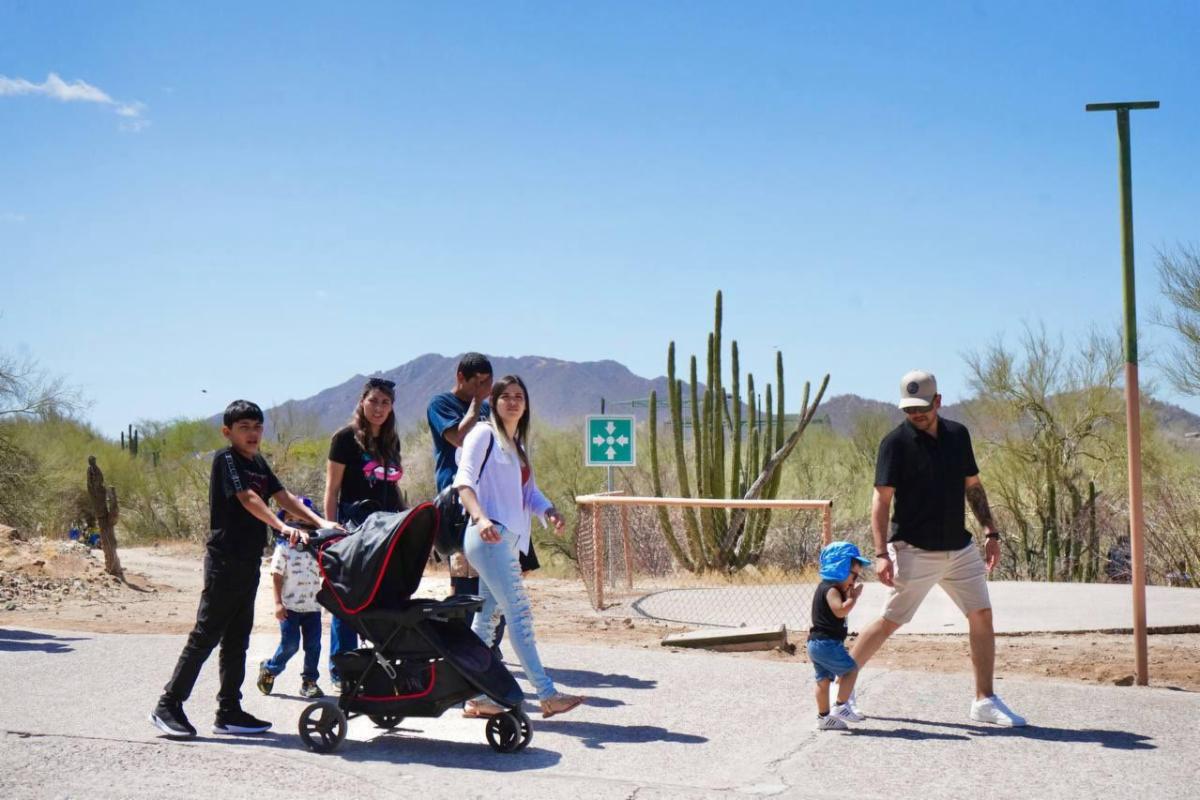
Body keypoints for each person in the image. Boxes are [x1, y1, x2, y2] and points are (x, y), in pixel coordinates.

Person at [847, 370, 1027, 727]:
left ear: (938, 401)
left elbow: (973, 487)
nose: (916, 414)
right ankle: (844, 687)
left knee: (981, 614)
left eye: (922, 407)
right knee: (890, 620)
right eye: (909, 409)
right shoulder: (895, 444)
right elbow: (881, 501)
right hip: (914, 549)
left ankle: (984, 700)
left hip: (959, 549)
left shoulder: (958, 436)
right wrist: (881, 554)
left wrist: (990, 531)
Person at [150, 400, 337, 739]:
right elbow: (248, 497)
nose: (252, 434)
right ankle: (169, 705)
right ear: (228, 432)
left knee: (237, 639)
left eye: (257, 427)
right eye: (244, 428)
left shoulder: (259, 462)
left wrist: (320, 521)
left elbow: (282, 496)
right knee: (206, 634)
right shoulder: (226, 460)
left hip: (249, 561)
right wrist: (282, 527)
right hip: (224, 561)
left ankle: (229, 711)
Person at [453, 375, 584, 719]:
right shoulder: (483, 434)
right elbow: (463, 481)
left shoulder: (517, 445)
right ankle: (546, 694)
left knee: (487, 620)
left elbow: (528, 493)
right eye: (506, 396)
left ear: (525, 405)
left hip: (508, 540)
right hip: (489, 534)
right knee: (519, 615)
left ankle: (476, 695)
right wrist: (480, 517)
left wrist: (548, 510)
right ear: (493, 402)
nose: (513, 402)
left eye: (519, 397)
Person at [324, 377, 405, 690]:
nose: (379, 408)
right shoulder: (344, 439)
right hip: (353, 528)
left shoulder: (391, 441)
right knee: (348, 599)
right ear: (362, 402)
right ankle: (341, 669)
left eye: (385, 402)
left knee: (382, 599)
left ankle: (374, 667)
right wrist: (331, 533)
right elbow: (332, 490)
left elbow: (393, 488)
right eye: (373, 401)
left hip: (385, 529)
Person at [256, 499, 326, 699]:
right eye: (291, 520)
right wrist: (278, 604)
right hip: (290, 608)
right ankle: (270, 669)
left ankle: (309, 682)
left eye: (302, 520)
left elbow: (323, 573)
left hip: (313, 607)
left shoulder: (316, 549)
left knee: (313, 646)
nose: (297, 524)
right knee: (290, 644)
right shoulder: (284, 548)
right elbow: (277, 576)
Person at [808, 541, 871, 730]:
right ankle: (841, 706)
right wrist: (853, 598)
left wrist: (848, 594)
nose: (854, 580)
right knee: (850, 670)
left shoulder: (827, 587)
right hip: (827, 643)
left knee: (823, 680)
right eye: (853, 575)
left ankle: (823, 717)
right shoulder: (831, 590)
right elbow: (840, 611)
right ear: (840, 569)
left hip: (817, 644)